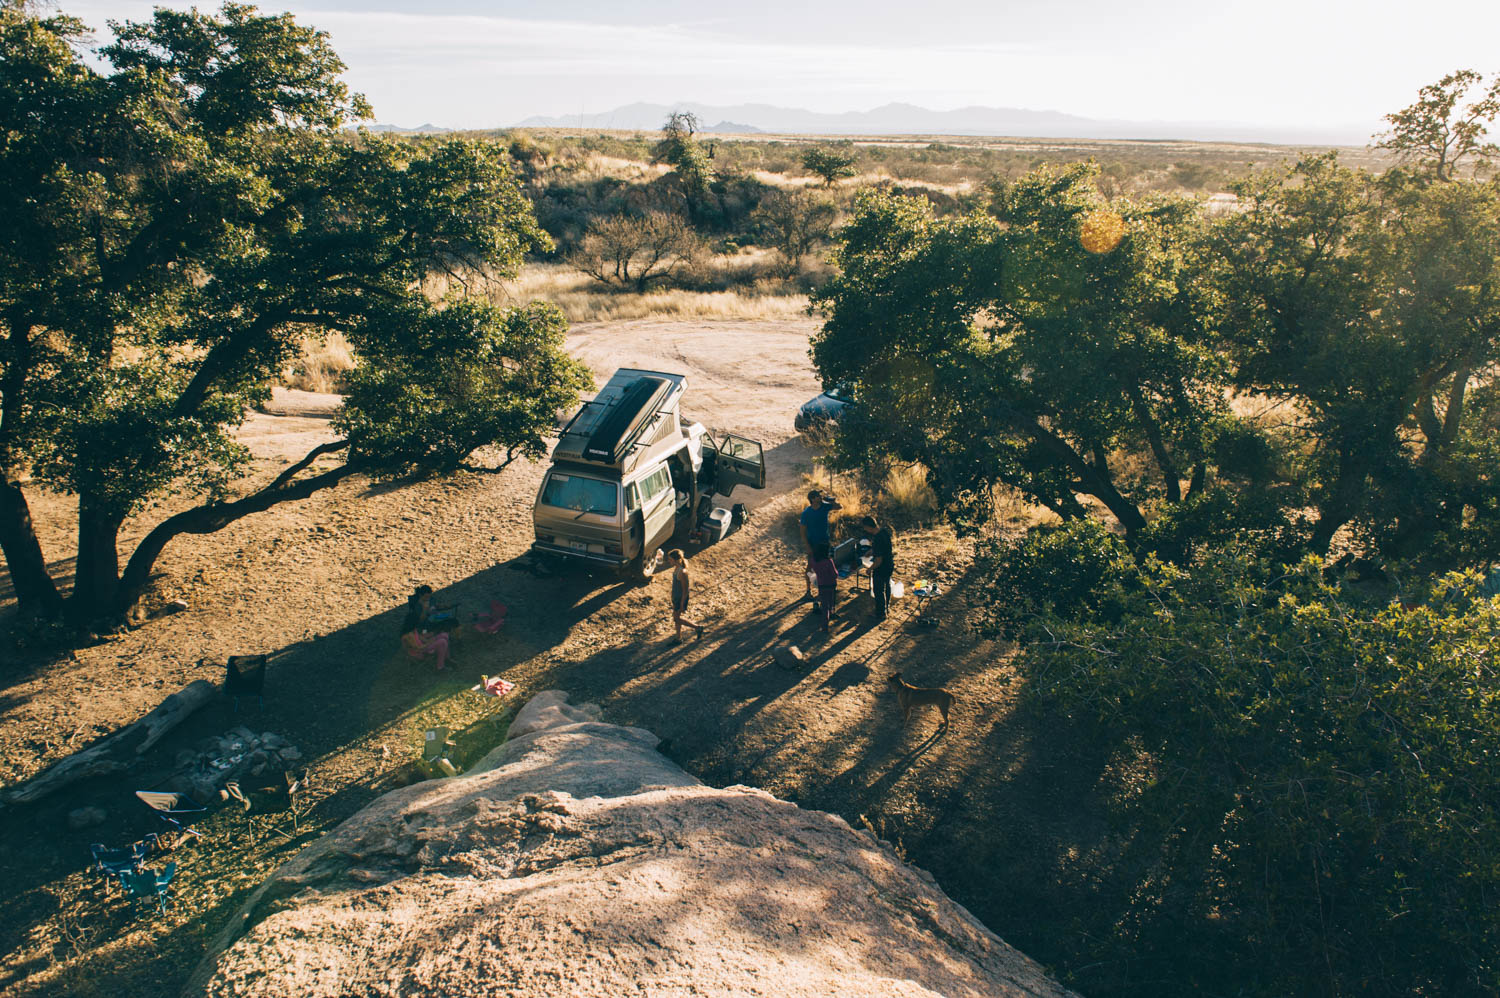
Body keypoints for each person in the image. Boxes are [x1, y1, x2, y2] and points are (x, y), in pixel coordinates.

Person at [798, 489, 841, 599]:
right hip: (813, 544)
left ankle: (824, 589)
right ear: (812, 499)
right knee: (811, 567)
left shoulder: (825, 507)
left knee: (825, 566)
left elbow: (839, 507)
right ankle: (808, 590)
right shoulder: (806, 513)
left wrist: (830, 501)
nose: (820, 497)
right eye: (818, 496)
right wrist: (807, 546)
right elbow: (802, 532)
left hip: (824, 543)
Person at [400, 591, 453, 671]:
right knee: (442, 641)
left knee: (444, 635)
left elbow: (419, 637)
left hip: (423, 646)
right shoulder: (408, 635)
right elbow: (419, 648)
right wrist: (431, 641)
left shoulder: (412, 630)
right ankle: (440, 667)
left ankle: (446, 658)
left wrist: (429, 636)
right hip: (419, 652)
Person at [666, 549, 706, 644]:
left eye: (670, 559)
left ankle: (697, 628)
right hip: (676, 598)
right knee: (677, 619)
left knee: (676, 618)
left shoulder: (682, 572)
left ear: (676, 560)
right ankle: (678, 638)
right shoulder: (676, 569)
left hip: (680, 599)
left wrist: (682, 604)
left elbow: (685, 590)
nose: (669, 561)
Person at [861, 515, 895, 622]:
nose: (864, 529)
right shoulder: (883, 532)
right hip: (889, 564)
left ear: (868, 527)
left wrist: (870, 569)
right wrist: (871, 551)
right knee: (887, 586)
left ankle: (880, 614)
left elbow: (878, 560)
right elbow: (883, 549)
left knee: (878, 590)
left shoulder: (878, 539)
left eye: (865, 527)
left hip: (881, 568)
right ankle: (886, 608)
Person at [810, 542, 839, 631]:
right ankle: (831, 617)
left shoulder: (813, 561)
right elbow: (835, 574)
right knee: (831, 603)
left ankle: (824, 625)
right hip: (831, 585)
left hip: (821, 585)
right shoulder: (829, 561)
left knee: (824, 605)